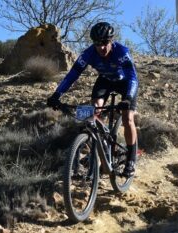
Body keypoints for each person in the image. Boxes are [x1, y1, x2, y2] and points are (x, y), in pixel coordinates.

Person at [46, 22, 139, 178]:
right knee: (90, 113)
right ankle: (94, 147)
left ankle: (131, 158)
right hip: (105, 81)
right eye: (97, 43)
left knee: (127, 117)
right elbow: (72, 75)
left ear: (111, 41)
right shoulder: (88, 54)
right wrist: (57, 95)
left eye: (105, 43)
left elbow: (133, 77)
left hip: (125, 83)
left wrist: (128, 98)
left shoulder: (122, 52)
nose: (101, 47)